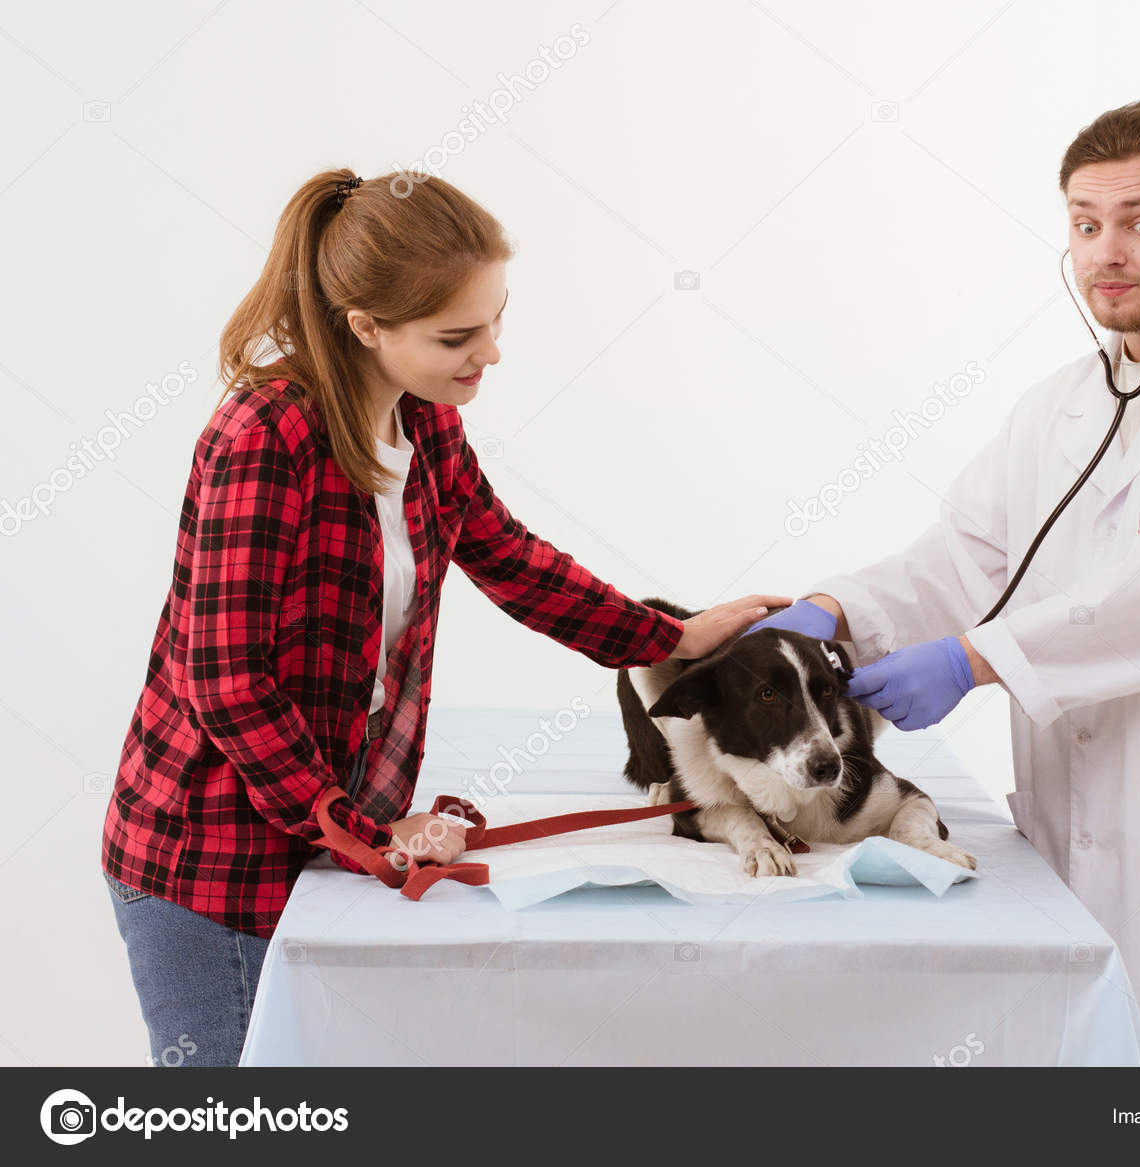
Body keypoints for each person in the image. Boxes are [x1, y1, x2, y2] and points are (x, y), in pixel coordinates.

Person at [101, 167, 786, 1067]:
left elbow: (506, 555)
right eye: (458, 334)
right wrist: (356, 824)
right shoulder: (264, 438)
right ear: (367, 327)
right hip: (209, 863)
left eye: (498, 320)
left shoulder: (425, 423)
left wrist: (667, 638)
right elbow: (224, 682)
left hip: (327, 842)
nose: (490, 352)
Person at [747, 101, 1140, 1066]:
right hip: (1074, 835)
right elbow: (962, 558)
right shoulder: (1062, 406)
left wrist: (974, 657)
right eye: (1086, 225)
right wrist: (837, 613)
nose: (1106, 252)